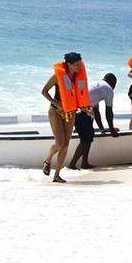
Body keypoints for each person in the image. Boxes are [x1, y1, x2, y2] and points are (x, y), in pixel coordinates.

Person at [41, 52, 91, 183]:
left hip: (71, 112)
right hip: (56, 111)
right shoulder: (58, 76)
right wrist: (57, 104)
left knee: (66, 145)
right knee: (59, 143)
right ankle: (48, 160)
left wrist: (86, 108)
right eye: (76, 65)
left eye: (80, 64)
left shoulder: (78, 77)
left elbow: (78, 97)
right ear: (68, 65)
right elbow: (44, 91)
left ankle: (56, 175)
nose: (79, 67)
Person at [67, 73, 119, 171]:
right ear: (113, 84)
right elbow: (109, 111)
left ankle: (84, 163)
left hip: (76, 109)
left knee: (89, 136)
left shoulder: (96, 85)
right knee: (86, 140)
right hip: (82, 111)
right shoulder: (108, 89)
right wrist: (112, 130)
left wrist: (102, 129)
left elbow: (96, 112)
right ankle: (71, 164)